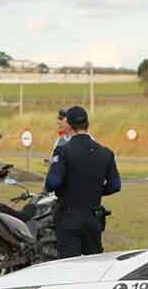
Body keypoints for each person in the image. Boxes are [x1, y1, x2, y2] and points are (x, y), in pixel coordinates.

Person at [45, 106, 121, 258]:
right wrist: (95, 189)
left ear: (69, 125)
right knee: (93, 266)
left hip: (69, 216)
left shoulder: (63, 151)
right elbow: (115, 185)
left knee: (69, 267)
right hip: (93, 217)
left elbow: (52, 183)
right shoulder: (105, 153)